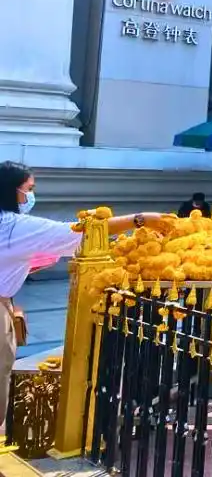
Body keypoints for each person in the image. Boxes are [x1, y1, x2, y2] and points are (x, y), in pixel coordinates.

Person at [0, 161, 172, 439]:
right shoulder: (14, 226)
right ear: (12, 191)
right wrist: (140, 219)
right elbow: (81, 232)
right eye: (28, 189)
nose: (30, 196)